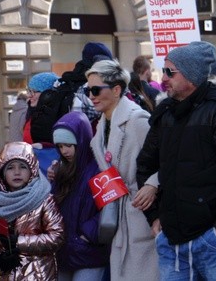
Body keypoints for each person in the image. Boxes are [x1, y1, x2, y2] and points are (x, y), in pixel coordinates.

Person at [136, 41, 216, 280]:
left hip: (215, 241)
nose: (164, 77)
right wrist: (155, 218)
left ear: (191, 75)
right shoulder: (165, 112)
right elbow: (146, 165)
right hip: (172, 239)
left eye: (171, 71)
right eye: (163, 70)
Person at [86, 59, 158, 281]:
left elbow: (166, 159)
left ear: (116, 90)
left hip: (142, 212)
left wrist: (153, 184)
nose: (91, 96)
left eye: (96, 90)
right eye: (88, 90)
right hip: (118, 212)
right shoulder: (102, 124)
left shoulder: (137, 120)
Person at [0, 141, 64, 280]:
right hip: (2, 274)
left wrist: (19, 242)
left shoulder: (43, 199)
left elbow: (57, 236)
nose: (17, 172)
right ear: (2, 172)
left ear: (32, 169)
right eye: (10, 168)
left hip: (37, 274)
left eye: (23, 167)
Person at [48, 111, 109, 280]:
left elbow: (110, 207)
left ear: (81, 141)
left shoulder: (100, 168)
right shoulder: (61, 170)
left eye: (68, 145)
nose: (64, 151)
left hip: (89, 254)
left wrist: (87, 234)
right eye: (59, 146)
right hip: (64, 253)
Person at [23, 71, 60, 175]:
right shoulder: (32, 112)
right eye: (28, 91)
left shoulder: (55, 116)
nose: (29, 96)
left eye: (34, 92)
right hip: (33, 168)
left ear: (47, 94)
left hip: (48, 172)